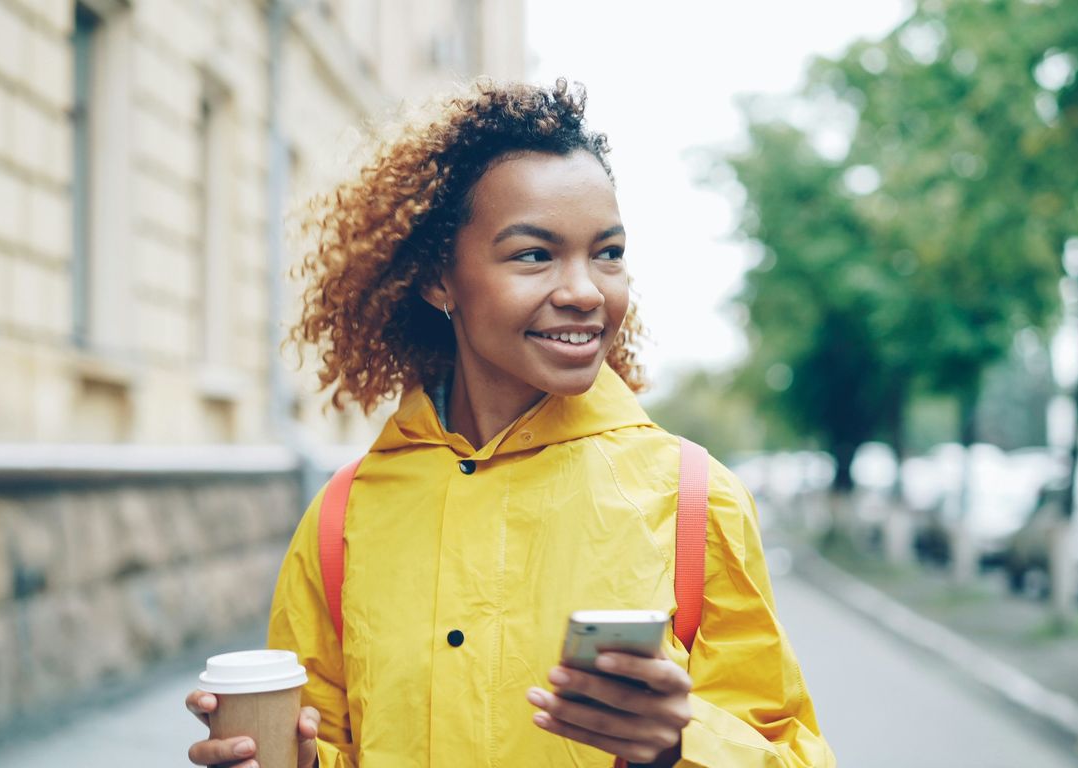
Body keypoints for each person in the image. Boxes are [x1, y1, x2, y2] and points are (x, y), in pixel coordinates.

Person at [185, 79, 834, 768]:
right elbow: (328, 744)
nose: (585, 291)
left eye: (608, 252)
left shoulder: (696, 501)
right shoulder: (342, 519)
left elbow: (792, 754)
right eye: (534, 254)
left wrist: (680, 746)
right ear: (440, 279)